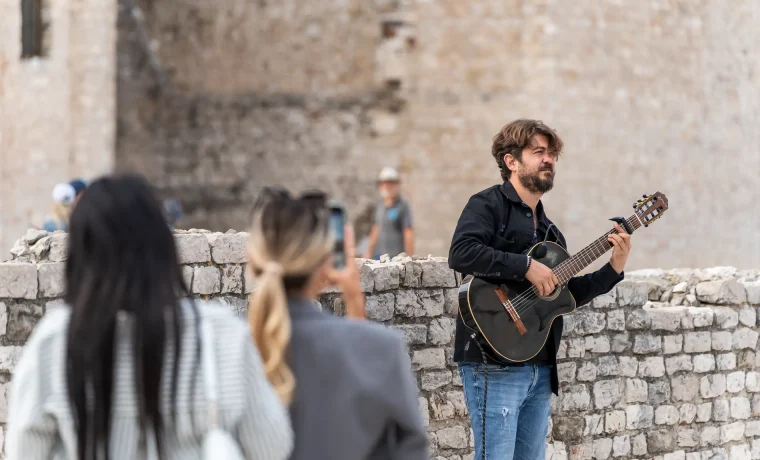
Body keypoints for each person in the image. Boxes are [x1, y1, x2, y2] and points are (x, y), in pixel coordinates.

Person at [5, 174, 293, 460]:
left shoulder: (54, 343)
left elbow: (24, 450)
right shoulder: (222, 334)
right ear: (163, 245)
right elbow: (272, 447)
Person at [448, 119, 633, 460]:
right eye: (538, 152)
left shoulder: (552, 234)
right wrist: (526, 266)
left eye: (552, 154)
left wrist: (613, 268)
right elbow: (461, 253)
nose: (548, 159)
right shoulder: (487, 206)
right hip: (493, 362)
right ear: (511, 161)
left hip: (540, 366)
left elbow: (566, 296)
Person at [246, 186, 429, 460]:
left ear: (253, 260)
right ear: (325, 263)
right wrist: (355, 300)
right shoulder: (380, 349)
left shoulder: (223, 348)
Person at [362, 167, 414, 259]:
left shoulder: (402, 206)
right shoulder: (380, 206)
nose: (387, 187)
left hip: (396, 258)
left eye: (391, 183)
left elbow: (408, 232)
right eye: (385, 183)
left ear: (397, 185)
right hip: (379, 256)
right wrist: (368, 252)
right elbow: (376, 229)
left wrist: (410, 257)